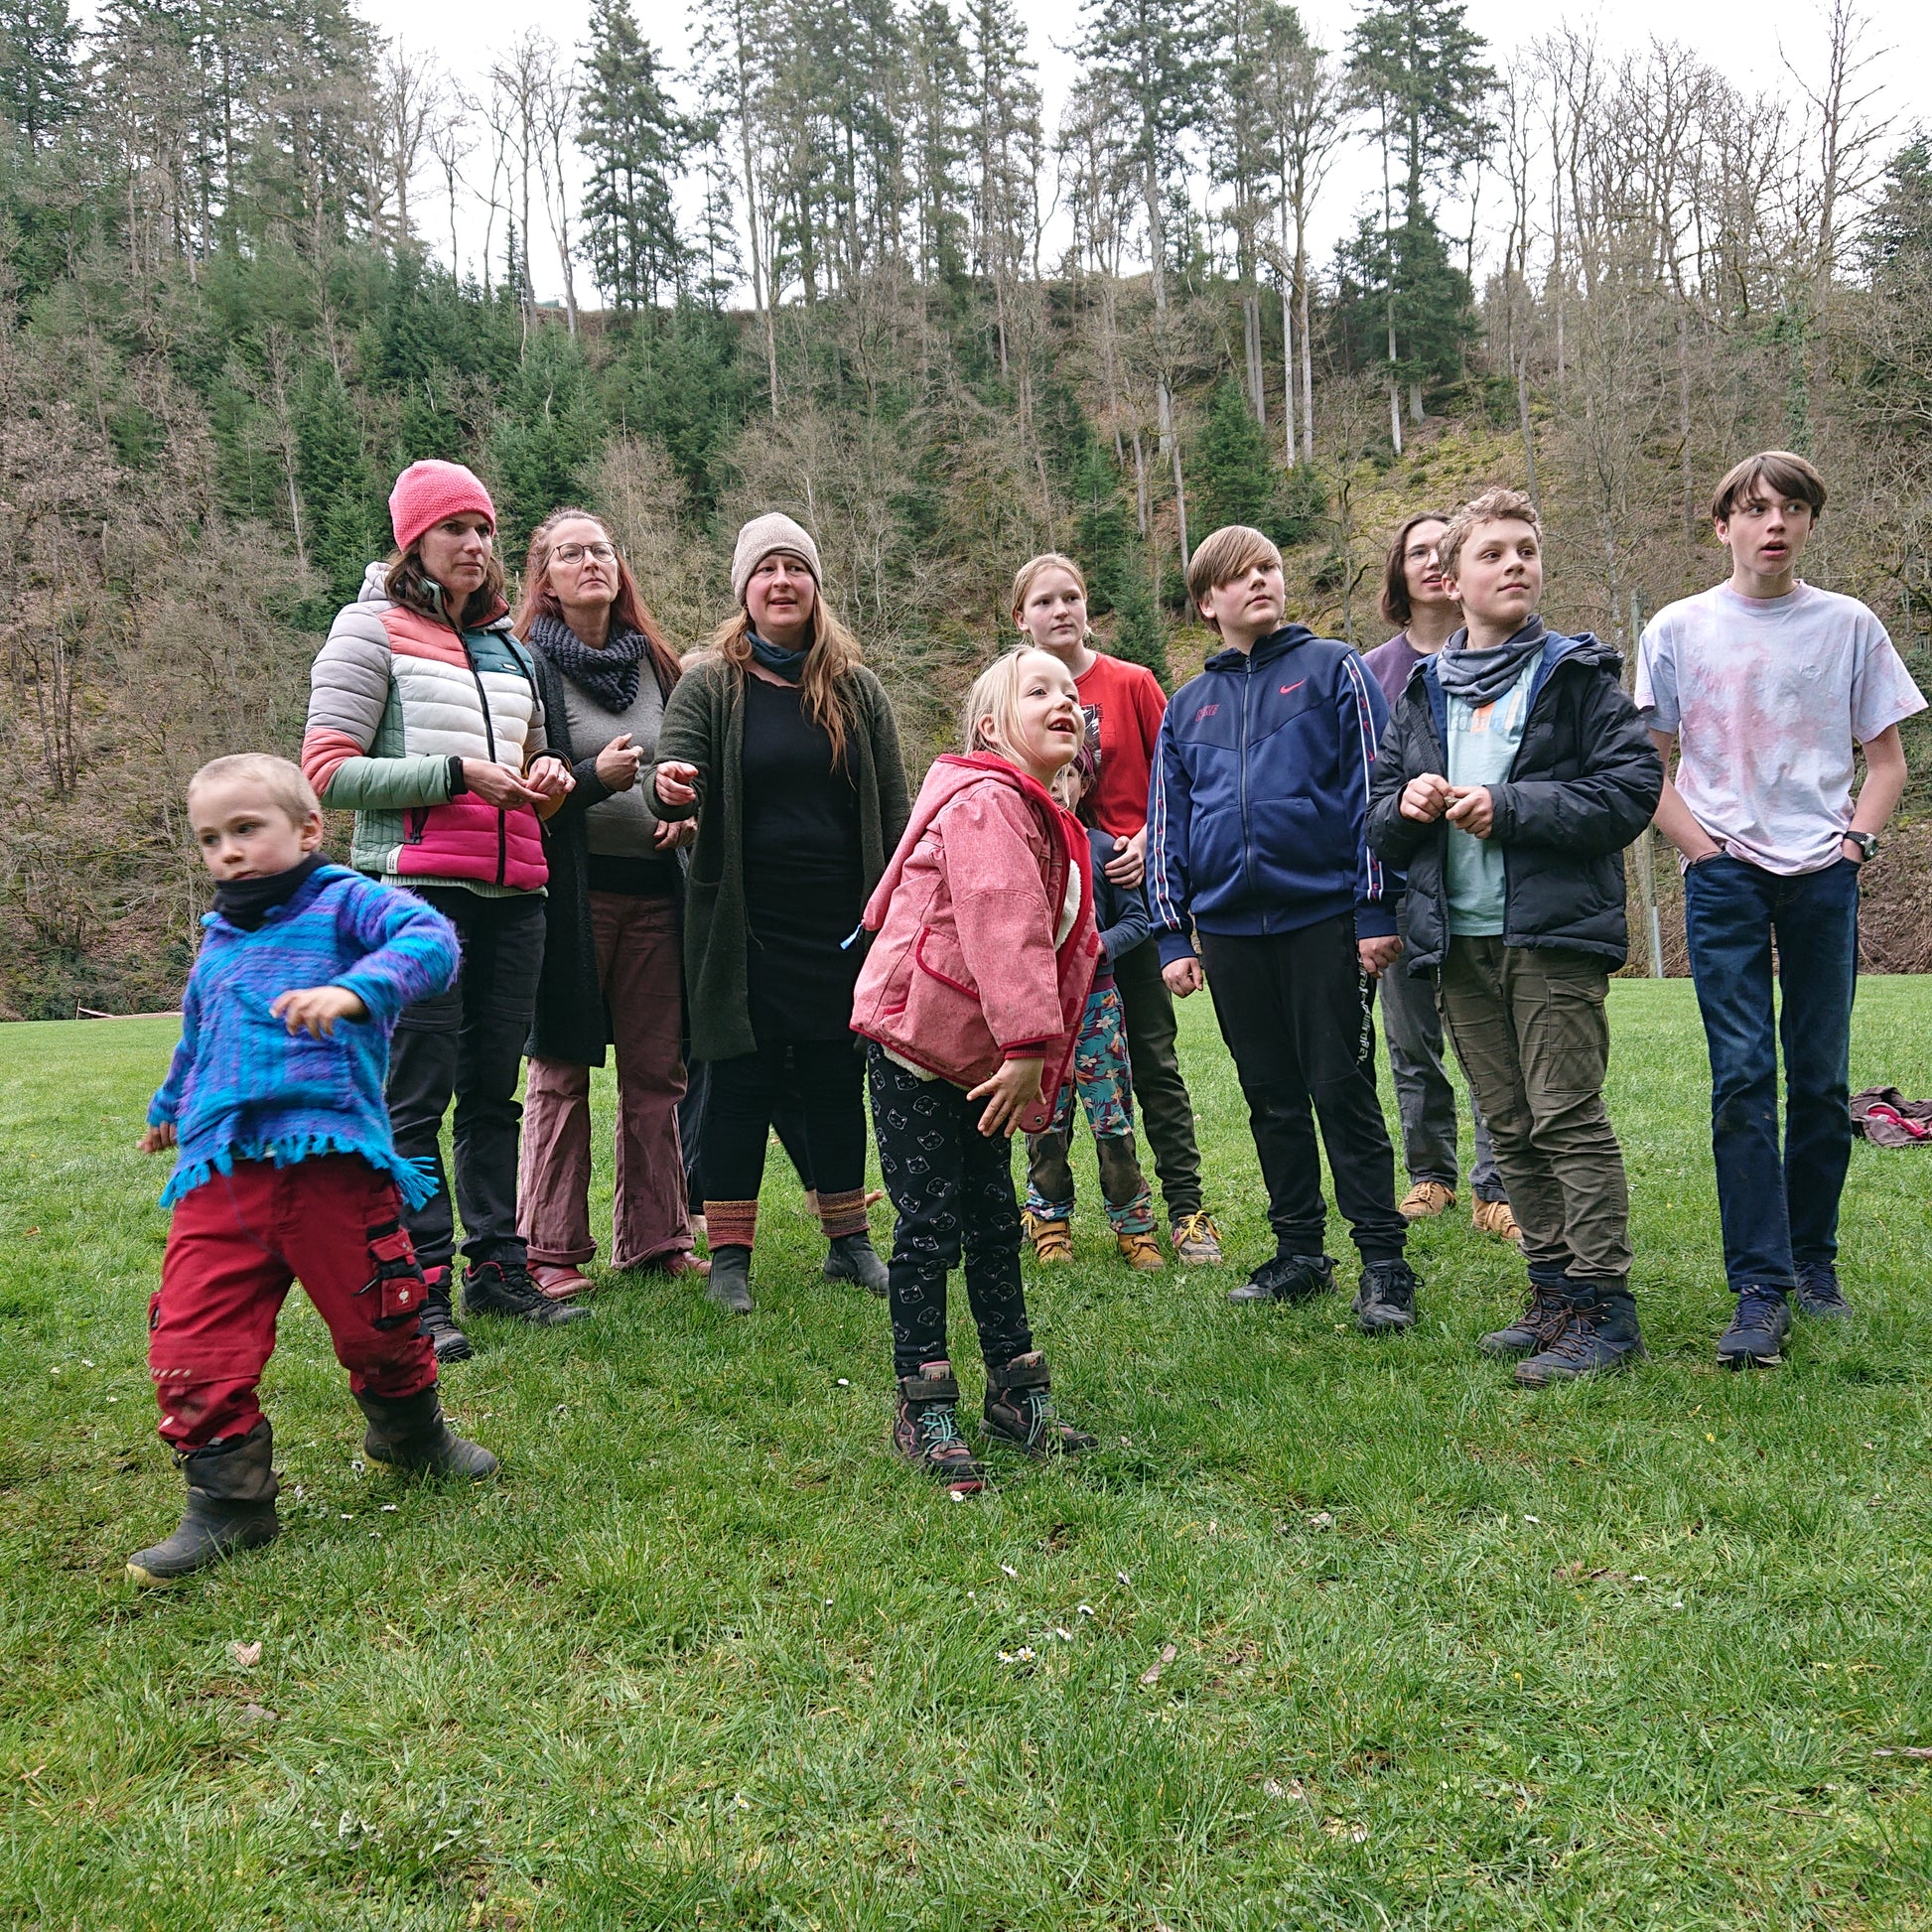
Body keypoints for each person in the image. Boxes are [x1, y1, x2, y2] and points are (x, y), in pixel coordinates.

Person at [128, 757, 494, 1585]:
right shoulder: (218, 939)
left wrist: (359, 991)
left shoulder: (342, 902)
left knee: (381, 1317)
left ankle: (410, 1435)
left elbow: (431, 940)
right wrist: (167, 1105)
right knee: (192, 1333)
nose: (228, 852)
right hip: (221, 1176)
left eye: (246, 829)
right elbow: (198, 1035)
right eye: (211, 839)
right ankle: (229, 1501)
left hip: (332, 1163)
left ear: (307, 829)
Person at [1636, 451, 1924, 1367]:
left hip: (1823, 875)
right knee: (1742, 1081)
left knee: (1822, 1079)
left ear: (1807, 523)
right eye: (1756, 509)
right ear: (1723, 524)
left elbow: (1886, 762)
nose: (1775, 524)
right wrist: (1701, 849)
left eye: (1792, 509)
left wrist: (1855, 845)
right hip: (1724, 875)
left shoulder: (1848, 625)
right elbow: (1648, 760)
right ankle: (1757, 1289)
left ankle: (1814, 1265)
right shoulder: (1679, 628)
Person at [1368, 488, 1663, 1384]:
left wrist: (1512, 806)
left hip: (1551, 937)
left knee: (1567, 1116)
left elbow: (1629, 792)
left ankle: (1608, 1312)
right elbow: (1379, 824)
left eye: (1527, 550)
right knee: (1511, 1121)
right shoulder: (1424, 688)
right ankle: (1554, 1295)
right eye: (1493, 554)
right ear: (1452, 582)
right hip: (1457, 943)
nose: (1516, 566)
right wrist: (1410, 805)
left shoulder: (1576, 676)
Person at [303, 460, 589, 1358]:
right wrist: (455, 775)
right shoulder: (367, 631)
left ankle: (498, 1268)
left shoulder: (514, 649)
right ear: (413, 540)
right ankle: (417, 1284)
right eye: (454, 529)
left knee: (494, 1096)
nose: (474, 544)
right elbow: (326, 772)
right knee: (416, 1098)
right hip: (413, 900)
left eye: (483, 529)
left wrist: (549, 781)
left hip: (518, 896)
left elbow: (540, 766)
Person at [1147, 525, 1422, 1333]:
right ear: (1208, 603)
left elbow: (1374, 789)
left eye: (1270, 567)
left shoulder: (1333, 668)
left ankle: (1383, 1262)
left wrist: (1375, 908)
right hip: (1230, 932)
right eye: (1240, 576)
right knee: (1269, 1096)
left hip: (1324, 919)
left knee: (1341, 1089)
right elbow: (1168, 823)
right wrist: (1171, 934)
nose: (1261, 581)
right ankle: (1299, 1253)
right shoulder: (1186, 706)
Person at [852, 648, 1102, 1490]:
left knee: (995, 1220)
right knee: (928, 1226)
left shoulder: (1039, 811)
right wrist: (1032, 1046)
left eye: (1071, 694)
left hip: (975, 1056)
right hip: (920, 1047)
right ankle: (922, 1402)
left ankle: (1013, 1389)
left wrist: (1024, 1050)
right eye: (1040, 693)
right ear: (993, 729)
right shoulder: (991, 800)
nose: (1064, 702)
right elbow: (1004, 924)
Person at [650, 514, 905, 1313]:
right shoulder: (710, 685)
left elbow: (895, 812)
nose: (782, 581)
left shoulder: (857, 691)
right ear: (746, 591)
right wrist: (672, 784)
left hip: (841, 925)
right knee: (737, 1084)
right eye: (767, 570)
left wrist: (898, 908)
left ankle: (850, 1243)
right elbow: (670, 760)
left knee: (836, 1079)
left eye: (797, 567)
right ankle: (729, 1255)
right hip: (742, 927)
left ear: (816, 587)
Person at [1010, 553, 1222, 1265]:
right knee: (1045, 1072)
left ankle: (1187, 1211)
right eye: (1045, 601)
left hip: (1127, 895)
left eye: (1072, 596)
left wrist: (1145, 844)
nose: (1061, 610)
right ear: (1022, 618)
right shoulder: (1011, 689)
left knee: (1153, 1060)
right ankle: (1044, 1213)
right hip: (1048, 907)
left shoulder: (1130, 683)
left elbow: (1178, 775)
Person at [515, 508, 706, 1298]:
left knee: (657, 1075)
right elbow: (525, 785)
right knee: (560, 1070)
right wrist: (595, 777)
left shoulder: (660, 665)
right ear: (547, 581)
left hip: (656, 898)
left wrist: (684, 811)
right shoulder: (525, 666)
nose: (589, 561)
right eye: (570, 553)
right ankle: (549, 1249)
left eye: (600, 549)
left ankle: (657, 1238)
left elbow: (692, 769)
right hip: (570, 900)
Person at [1362, 513, 1517, 1243]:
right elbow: (1358, 792)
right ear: (1400, 570)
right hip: (1399, 888)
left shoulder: (1503, 657)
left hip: (1482, 887)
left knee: (1488, 1040)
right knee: (1411, 1041)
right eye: (1414, 552)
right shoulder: (1369, 671)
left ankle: (1499, 1185)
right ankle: (1431, 1174)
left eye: (1439, 551)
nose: (1428, 563)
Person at [1022, 743, 1162, 1269]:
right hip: (1040, 1010)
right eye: (1049, 774)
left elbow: (1137, 922)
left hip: (1097, 1005)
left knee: (1113, 1119)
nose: (1058, 785)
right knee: (1044, 1122)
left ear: (1084, 785)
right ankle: (1049, 1222)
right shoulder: (1020, 845)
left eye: (1069, 776)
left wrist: (1095, 946)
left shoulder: (1105, 848)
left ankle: (1135, 1226)